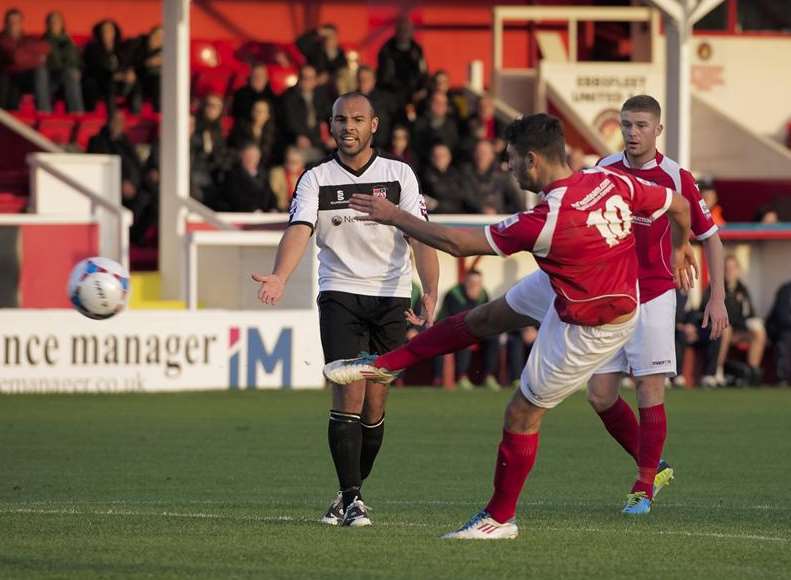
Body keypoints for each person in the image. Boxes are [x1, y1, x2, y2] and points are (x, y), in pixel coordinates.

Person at [325, 113, 695, 538]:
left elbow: (456, 245)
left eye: (512, 159)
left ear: (533, 160)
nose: (508, 167)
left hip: (593, 322)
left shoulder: (549, 220)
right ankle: (388, 364)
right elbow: (678, 204)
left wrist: (395, 216)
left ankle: (499, 518)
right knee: (485, 317)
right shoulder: (609, 180)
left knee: (521, 412)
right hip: (572, 282)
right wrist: (682, 248)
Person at [251, 92, 439, 527]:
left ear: (374, 124)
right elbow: (300, 229)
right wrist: (280, 275)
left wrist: (429, 291)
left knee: (376, 406)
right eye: (340, 119)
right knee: (348, 392)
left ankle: (346, 494)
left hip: (391, 298)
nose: (347, 127)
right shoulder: (316, 177)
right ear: (329, 126)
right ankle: (354, 499)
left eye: (357, 119)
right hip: (340, 294)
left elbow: (420, 235)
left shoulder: (399, 175)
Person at [587, 95, 728, 510]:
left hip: (654, 294)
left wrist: (717, 297)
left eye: (641, 125)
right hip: (609, 296)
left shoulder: (676, 176)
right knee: (600, 395)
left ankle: (643, 486)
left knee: (649, 388)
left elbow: (712, 238)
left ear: (658, 130)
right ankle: (654, 463)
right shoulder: (603, 171)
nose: (632, 133)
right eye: (627, 125)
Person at [87, 110, 153, 244]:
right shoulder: (98, 141)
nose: (119, 124)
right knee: (142, 200)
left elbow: (137, 164)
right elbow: (100, 168)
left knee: (156, 198)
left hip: (137, 185)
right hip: (113, 186)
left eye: (122, 121)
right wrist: (121, 182)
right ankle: (128, 237)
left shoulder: (126, 141)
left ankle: (136, 237)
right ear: (109, 122)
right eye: (116, 121)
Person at [433, 269, 500, 391]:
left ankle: (489, 376)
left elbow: (487, 315)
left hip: (476, 329)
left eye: (478, 283)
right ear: (465, 282)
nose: (475, 286)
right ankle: (462, 376)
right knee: (465, 337)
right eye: (472, 283)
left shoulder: (483, 294)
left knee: (493, 338)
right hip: (452, 329)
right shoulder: (453, 294)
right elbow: (454, 318)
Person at [711, 255, 766, 386]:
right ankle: (718, 371)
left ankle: (751, 373)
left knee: (759, 333)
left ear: (738, 270)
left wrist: (755, 323)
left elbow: (749, 313)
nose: (730, 271)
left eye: (732, 268)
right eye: (727, 268)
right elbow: (706, 310)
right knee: (727, 329)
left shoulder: (743, 289)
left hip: (739, 330)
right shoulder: (715, 287)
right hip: (719, 331)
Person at [82, 19, 140, 113]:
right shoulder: (92, 48)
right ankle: (112, 117)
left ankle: (136, 115)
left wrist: (128, 72)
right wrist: (113, 75)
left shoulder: (122, 48)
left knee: (135, 81)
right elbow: (94, 68)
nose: (107, 33)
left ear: (115, 32)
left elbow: (127, 63)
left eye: (110, 30)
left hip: (121, 82)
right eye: (104, 30)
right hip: (101, 82)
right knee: (110, 83)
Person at [279, 64, 333, 162]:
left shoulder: (321, 95)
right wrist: (297, 136)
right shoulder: (289, 97)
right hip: (299, 142)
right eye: (304, 77)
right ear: (299, 79)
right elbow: (289, 123)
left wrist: (334, 136)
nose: (307, 81)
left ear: (316, 80)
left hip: (320, 141)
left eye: (310, 78)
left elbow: (330, 115)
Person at [0, 8, 50, 111]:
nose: (13, 24)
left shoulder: (28, 38)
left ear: (21, 23)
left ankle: (44, 112)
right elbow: (16, 58)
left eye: (16, 21)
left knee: (41, 71)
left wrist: (24, 54)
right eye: (11, 22)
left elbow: (45, 48)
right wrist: (35, 57)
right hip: (7, 76)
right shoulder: (2, 39)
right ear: (5, 23)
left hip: (25, 77)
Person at [376, 17, 428, 111]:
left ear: (412, 31)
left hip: (414, 95)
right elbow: (384, 77)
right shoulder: (387, 50)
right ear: (396, 31)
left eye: (407, 29)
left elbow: (423, 72)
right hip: (392, 94)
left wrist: (422, 89)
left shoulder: (417, 50)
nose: (404, 32)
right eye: (401, 29)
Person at [463, 139, 524, 214]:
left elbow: (516, 204)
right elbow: (465, 199)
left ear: (492, 155)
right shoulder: (465, 175)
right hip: (472, 218)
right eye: (478, 152)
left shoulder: (502, 177)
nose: (481, 156)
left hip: (498, 219)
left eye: (484, 153)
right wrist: (481, 209)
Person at [41, 11, 83, 112]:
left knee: (72, 74)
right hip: (51, 78)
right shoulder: (43, 42)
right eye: (51, 22)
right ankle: (45, 112)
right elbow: (52, 62)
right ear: (47, 25)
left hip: (69, 76)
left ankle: (77, 114)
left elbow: (77, 61)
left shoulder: (69, 41)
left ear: (62, 24)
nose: (54, 24)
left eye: (57, 21)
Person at [420, 143, 477, 214]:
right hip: (435, 217)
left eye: (443, 156)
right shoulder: (424, 177)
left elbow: (463, 198)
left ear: (449, 157)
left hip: (456, 216)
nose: (439, 158)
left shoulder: (457, 175)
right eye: (436, 156)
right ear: (431, 158)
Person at [221, 142, 277, 212]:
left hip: (264, 215)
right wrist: (253, 209)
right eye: (248, 156)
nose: (251, 159)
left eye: (255, 156)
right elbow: (235, 198)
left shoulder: (263, 175)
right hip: (245, 214)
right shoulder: (233, 175)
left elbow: (270, 195)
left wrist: (273, 208)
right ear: (242, 156)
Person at [411, 91, 460, 164]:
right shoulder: (420, 124)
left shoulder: (451, 125)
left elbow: (454, 146)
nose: (440, 106)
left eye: (444, 103)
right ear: (430, 104)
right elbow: (416, 147)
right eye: (437, 102)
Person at [356, 65, 398, 149]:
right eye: (361, 79)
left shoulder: (386, 99)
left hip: (382, 145)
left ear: (374, 81)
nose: (363, 82)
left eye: (367, 79)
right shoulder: (351, 100)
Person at [228, 98, 277, 169]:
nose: (258, 114)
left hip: (263, 169)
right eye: (256, 110)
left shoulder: (272, 133)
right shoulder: (241, 128)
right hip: (242, 166)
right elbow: (235, 147)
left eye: (262, 111)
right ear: (252, 112)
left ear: (268, 115)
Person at [766, 281, 791, 386]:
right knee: (787, 337)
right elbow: (782, 317)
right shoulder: (786, 290)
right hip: (779, 329)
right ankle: (784, 377)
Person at [268, 146, 305, 211]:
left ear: (302, 163)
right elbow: (274, 195)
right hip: (281, 210)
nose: (291, 165)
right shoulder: (277, 173)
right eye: (289, 161)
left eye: (295, 162)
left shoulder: (306, 175)